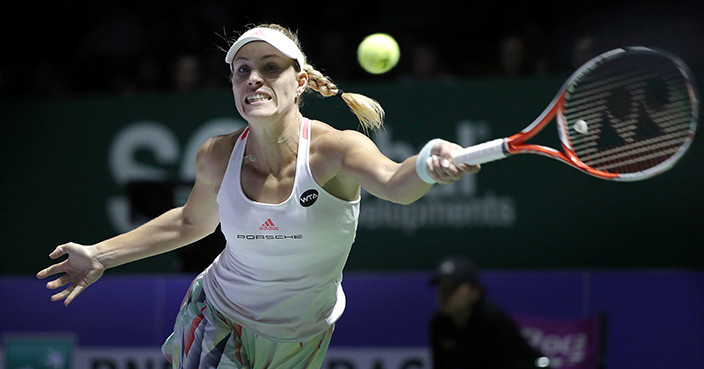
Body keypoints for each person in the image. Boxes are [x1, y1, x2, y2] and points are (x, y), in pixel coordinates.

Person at [36, 23, 479, 368]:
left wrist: (427, 163)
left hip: (303, 336)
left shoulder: (334, 150)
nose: (253, 78)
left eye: (270, 67)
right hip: (218, 315)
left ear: (300, 81)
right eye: (241, 70)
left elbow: (396, 184)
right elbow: (192, 223)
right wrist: (100, 255)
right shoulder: (217, 154)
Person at [430, 255, 550, 369]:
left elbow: (504, 364)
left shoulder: (493, 319)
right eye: (441, 288)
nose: (444, 295)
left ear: (474, 292)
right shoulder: (439, 322)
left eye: (452, 289)